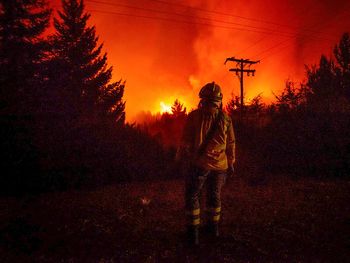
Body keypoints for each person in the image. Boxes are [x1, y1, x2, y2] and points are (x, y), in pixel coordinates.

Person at [177, 81, 236, 246]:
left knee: (193, 195)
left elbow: (185, 142)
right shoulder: (226, 119)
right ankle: (213, 230)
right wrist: (231, 162)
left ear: (202, 99)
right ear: (219, 100)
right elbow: (231, 143)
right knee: (214, 195)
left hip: (200, 165)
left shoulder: (194, 116)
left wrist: (181, 158)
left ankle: (193, 234)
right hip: (221, 166)